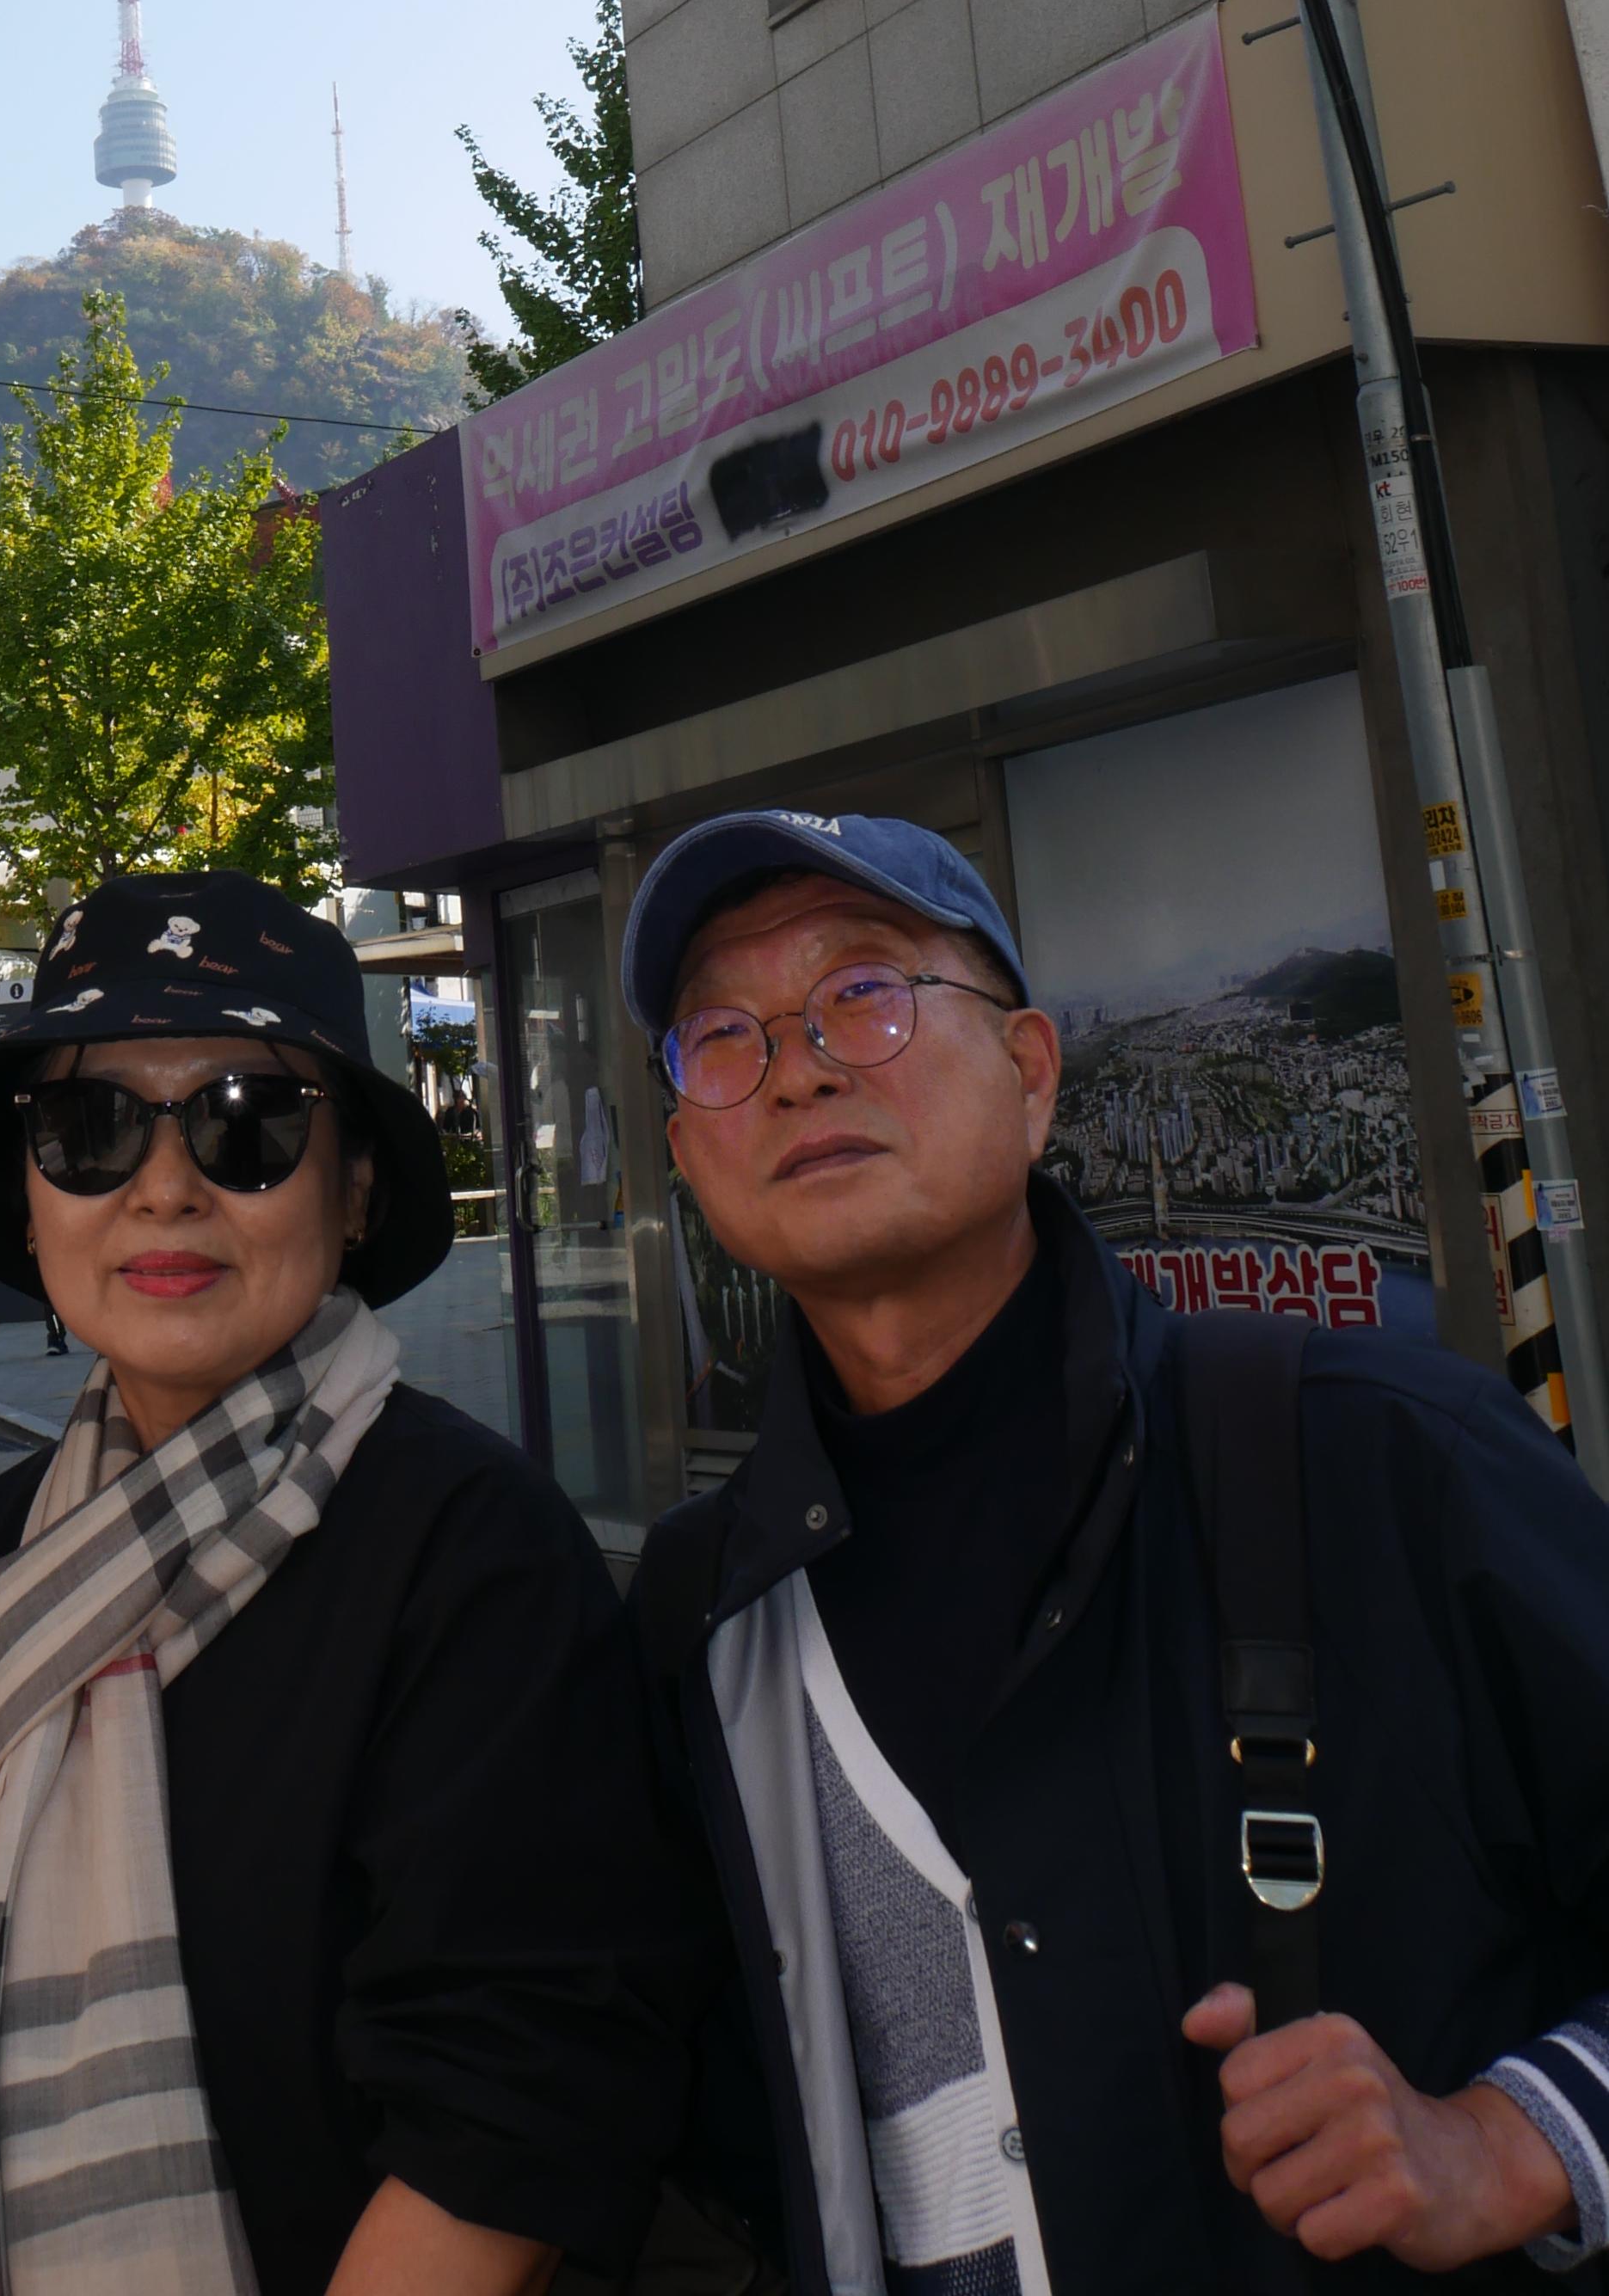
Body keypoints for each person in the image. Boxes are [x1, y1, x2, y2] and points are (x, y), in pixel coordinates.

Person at [623, 806, 1609, 2293]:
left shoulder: (1381, 1458)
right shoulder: (704, 1615)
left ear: (1030, 1074)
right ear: (688, 1155)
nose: (799, 1067)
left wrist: (1510, 2140)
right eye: (721, 1036)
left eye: (863, 993)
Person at [0, 869, 661, 2296]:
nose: (165, 1187)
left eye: (248, 1122)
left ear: (355, 1190)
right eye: (91, 1129)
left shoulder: (475, 1560)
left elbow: (511, 2100)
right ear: (31, 1199)